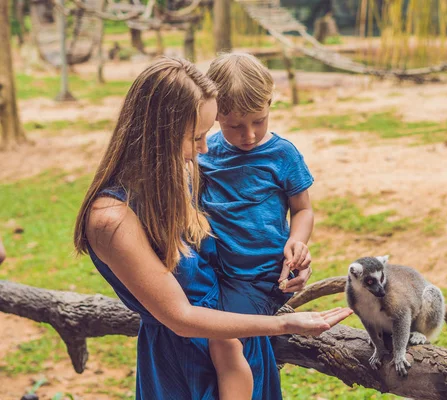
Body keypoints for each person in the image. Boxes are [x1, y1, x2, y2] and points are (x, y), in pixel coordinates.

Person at [73, 56, 352, 400]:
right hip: (187, 360)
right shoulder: (111, 220)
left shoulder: (179, 175)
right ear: (160, 136)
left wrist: (288, 261)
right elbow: (180, 316)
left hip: (239, 337)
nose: (206, 149)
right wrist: (284, 324)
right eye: (198, 136)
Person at [199, 52, 315, 400]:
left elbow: (303, 209)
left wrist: (297, 241)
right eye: (234, 125)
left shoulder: (283, 155)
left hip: (262, 276)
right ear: (214, 112)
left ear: (269, 104)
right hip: (216, 271)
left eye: (258, 121)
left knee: (224, 338)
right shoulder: (205, 151)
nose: (248, 135)